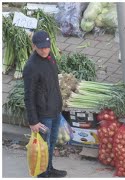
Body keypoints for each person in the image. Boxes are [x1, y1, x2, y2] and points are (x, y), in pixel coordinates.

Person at [23, 30, 67, 178]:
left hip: (55, 109)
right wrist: (33, 121)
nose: (44, 49)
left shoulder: (50, 57)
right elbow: (28, 96)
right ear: (34, 46)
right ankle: (42, 174)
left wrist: (60, 104)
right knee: (43, 146)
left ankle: (49, 168)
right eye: (41, 47)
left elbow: (53, 82)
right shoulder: (31, 67)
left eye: (47, 46)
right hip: (43, 114)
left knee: (52, 142)